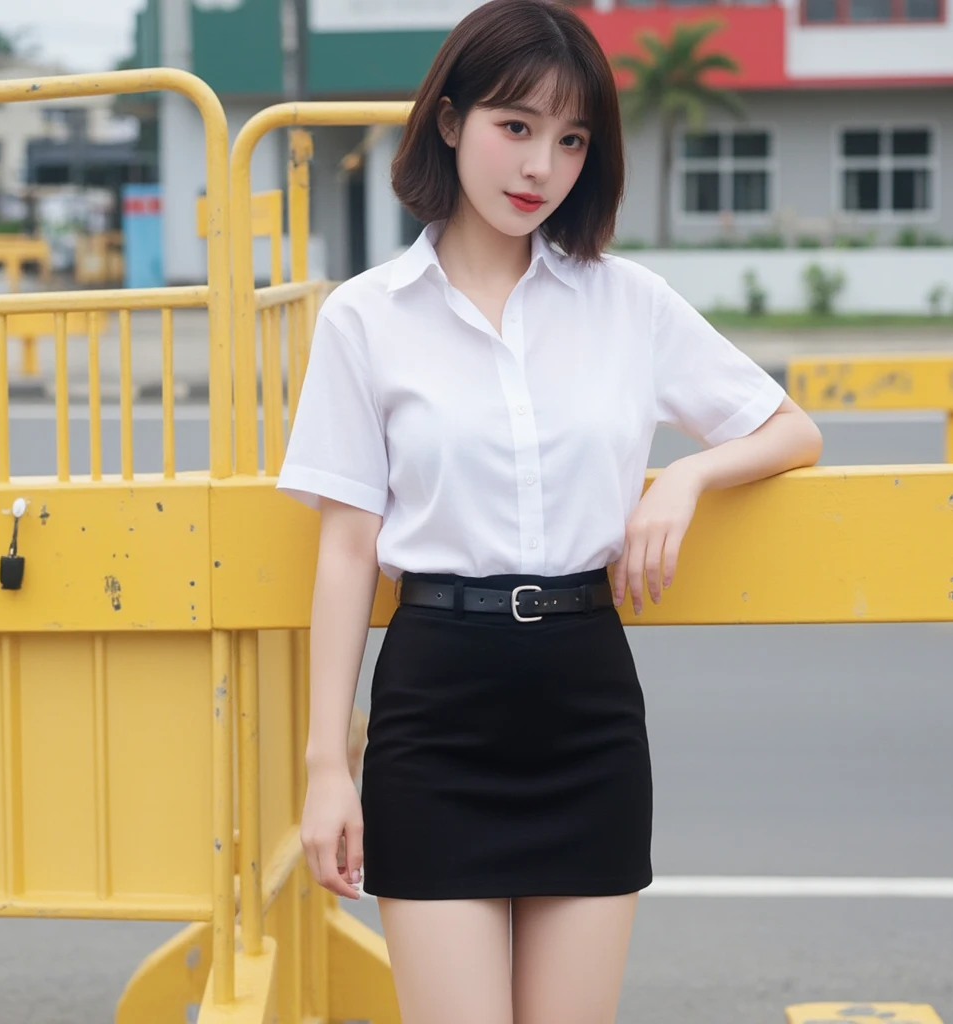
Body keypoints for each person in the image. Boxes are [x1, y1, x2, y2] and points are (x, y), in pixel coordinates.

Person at [276, 1, 824, 1020]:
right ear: (449, 121)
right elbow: (346, 550)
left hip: (586, 704)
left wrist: (688, 479)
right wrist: (324, 768)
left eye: (570, 139)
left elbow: (789, 429)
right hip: (435, 706)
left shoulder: (627, 304)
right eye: (515, 126)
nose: (540, 166)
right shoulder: (365, 318)